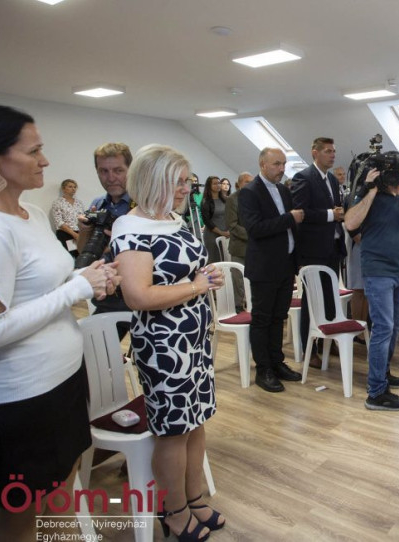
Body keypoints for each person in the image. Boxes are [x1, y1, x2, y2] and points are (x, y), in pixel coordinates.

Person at [0, 104, 116, 540]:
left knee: (61, 489)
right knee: (23, 517)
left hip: (61, 379)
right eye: (33, 151)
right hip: (20, 397)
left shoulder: (29, 214)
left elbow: (40, 288)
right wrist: (74, 290)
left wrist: (84, 279)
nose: (45, 160)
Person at [111, 144, 225, 542]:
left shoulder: (172, 219)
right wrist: (196, 285)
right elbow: (138, 296)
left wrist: (205, 277)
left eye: (186, 181)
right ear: (152, 180)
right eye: (176, 182)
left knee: (196, 423)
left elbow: (186, 272)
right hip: (163, 344)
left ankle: (194, 499)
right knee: (174, 431)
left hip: (193, 339)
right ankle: (173, 511)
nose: (185, 189)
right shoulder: (131, 228)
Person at [345, 154, 399, 411]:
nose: (397, 175)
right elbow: (350, 222)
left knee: (393, 328)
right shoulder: (368, 195)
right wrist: (371, 190)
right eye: (393, 172)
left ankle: (383, 372)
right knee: (383, 328)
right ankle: (376, 391)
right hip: (378, 272)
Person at [238, 148, 304, 393]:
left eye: (284, 163)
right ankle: (263, 369)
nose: (282, 169)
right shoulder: (249, 192)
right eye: (277, 164)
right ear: (262, 164)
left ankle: (277, 362)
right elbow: (255, 229)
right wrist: (289, 218)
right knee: (263, 319)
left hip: (285, 265)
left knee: (279, 317)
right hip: (265, 267)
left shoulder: (284, 191)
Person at [291, 137, 346, 358]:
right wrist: (331, 214)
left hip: (333, 246)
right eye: (327, 151)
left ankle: (327, 340)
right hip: (313, 249)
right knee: (312, 300)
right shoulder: (303, 178)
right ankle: (309, 348)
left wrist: (338, 214)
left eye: (333, 151)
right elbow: (301, 212)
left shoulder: (331, 179)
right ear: (315, 153)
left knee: (331, 298)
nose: (332, 155)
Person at [78, 142, 135, 318]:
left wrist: (121, 243)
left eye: (118, 170)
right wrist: (84, 231)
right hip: (106, 297)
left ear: (130, 170)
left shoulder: (144, 205)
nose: (110, 178)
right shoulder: (98, 204)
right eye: (103, 171)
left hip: (137, 295)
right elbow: (83, 251)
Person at [224, 171, 254, 313]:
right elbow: (232, 225)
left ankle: (252, 304)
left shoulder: (255, 197)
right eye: (247, 182)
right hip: (239, 246)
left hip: (255, 247)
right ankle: (238, 305)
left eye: (251, 182)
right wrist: (252, 234)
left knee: (254, 278)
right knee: (238, 279)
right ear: (239, 183)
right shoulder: (232, 199)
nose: (249, 184)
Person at [50, 178, 85, 255]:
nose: (73, 189)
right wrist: (74, 235)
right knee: (69, 256)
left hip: (79, 234)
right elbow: (59, 222)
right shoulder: (58, 202)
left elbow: (83, 218)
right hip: (65, 233)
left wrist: (81, 234)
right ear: (63, 189)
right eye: (70, 187)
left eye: (75, 187)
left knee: (81, 256)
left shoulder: (79, 203)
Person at [200, 175, 228, 262]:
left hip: (226, 234)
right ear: (209, 186)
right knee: (215, 261)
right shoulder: (206, 202)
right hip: (212, 235)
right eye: (215, 184)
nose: (218, 185)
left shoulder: (225, 199)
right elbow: (207, 221)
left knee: (226, 260)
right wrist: (221, 232)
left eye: (219, 183)